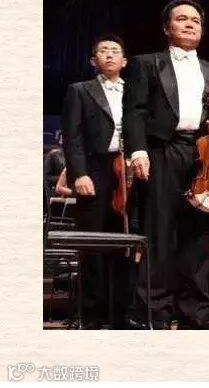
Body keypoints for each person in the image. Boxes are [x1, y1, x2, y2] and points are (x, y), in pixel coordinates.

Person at [122, 0, 209, 330]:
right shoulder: (146, 63)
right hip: (161, 151)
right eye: (182, 18)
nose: (189, 24)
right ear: (166, 27)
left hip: (201, 155)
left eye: (195, 20)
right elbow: (134, 111)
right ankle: (154, 311)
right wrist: (138, 152)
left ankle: (195, 312)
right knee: (161, 231)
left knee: (199, 235)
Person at [60, 33, 130, 329]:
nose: (110, 55)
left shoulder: (135, 91)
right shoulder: (80, 90)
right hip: (96, 169)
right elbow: (72, 136)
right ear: (93, 60)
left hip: (128, 170)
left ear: (125, 61)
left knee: (126, 243)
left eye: (115, 51)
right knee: (93, 243)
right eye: (103, 51)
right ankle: (92, 316)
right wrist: (80, 173)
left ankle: (122, 314)